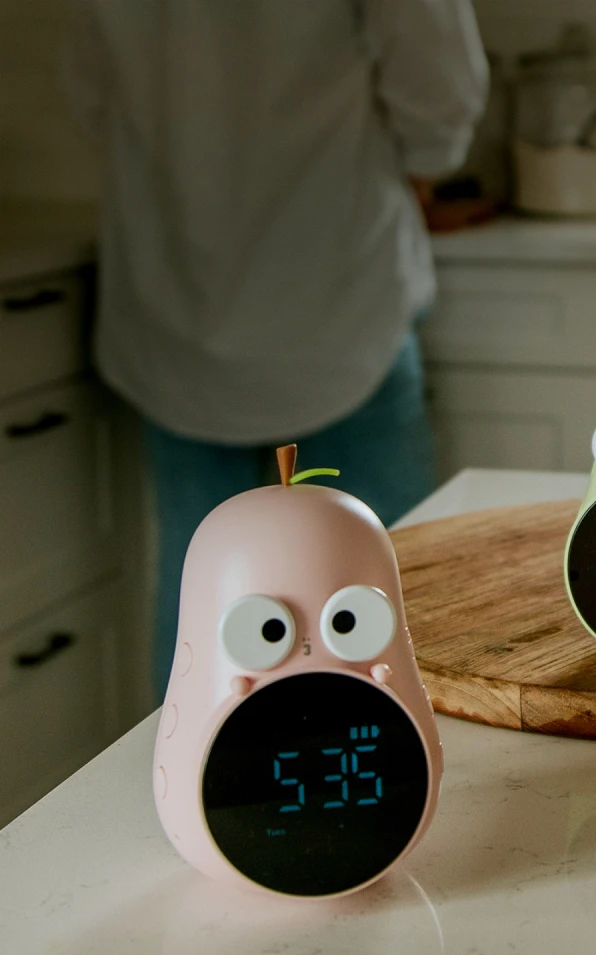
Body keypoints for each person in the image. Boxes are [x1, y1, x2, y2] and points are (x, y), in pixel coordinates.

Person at [65, 0, 488, 697]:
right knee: (388, 584)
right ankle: (403, 760)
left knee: (203, 602)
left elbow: (91, 96)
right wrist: (426, 165)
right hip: (340, 303)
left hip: (173, 310)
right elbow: (439, 84)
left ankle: (199, 765)